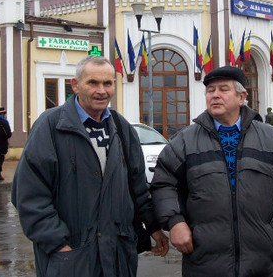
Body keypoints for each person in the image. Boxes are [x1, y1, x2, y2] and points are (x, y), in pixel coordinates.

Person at [11, 55, 169, 277]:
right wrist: (57, 243)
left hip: (117, 256)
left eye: (108, 83)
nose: (101, 90)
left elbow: (137, 188)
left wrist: (153, 227)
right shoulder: (51, 127)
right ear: (75, 85)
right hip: (71, 257)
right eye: (93, 82)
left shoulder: (122, 129)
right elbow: (28, 195)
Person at [151, 66, 273, 277]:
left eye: (223, 89)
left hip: (260, 265)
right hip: (203, 262)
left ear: (241, 96)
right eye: (210, 90)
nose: (215, 95)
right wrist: (175, 222)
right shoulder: (185, 141)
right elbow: (163, 183)